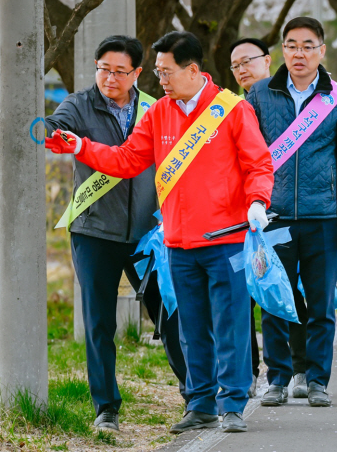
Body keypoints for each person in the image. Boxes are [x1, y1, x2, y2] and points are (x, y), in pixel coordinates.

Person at [45, 31, 274, 434]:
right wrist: (81, 146)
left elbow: (259, 164)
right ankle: (201, 403)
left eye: (166, 72)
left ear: (192, 70)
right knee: (190, 326)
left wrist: (258, 201)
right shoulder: (159, 113)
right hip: (178, 241)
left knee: (231, 324)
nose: (161, 80)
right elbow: (127, 159)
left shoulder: (232, 110)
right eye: (157, 72)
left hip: (227, 238)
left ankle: (233, 403)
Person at [44, 35, 187, 431]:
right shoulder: (78, 104)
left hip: (148, 232)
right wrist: (49, 133)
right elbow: (55, 128)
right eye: (103, 68)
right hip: (94, 232)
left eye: (120, 71)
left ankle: (194, 395)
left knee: (169, 310)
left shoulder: (155, 110)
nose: (110, 77)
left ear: (137, 73)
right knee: (99, 322)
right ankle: (106, 407)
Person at [246, 16, 337, 407]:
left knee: (319, 303)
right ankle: (278, 378)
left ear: (322, 51)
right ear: (283, 50)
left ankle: (317, 380)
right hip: (273, 217)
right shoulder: (260, 94)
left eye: (308, 45)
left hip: (322, 216)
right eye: (292, 45)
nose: (300, 53)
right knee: (275, 301)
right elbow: (246, 153)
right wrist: (252, 202)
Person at [229, 37, 273, 398]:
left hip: (280, 214)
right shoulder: (228, 109)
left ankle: (287, 371)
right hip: (238, 217)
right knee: (243, 298)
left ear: (268, 61)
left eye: (248, 61)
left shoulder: (292, 103)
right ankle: (250, 373)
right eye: (236, 65)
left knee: (277, 292)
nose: (242, 69)